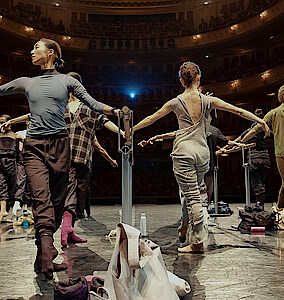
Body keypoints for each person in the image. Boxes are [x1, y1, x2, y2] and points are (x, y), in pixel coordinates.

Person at [0, 38, 120, 279]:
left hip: (60, 147)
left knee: (56, 204)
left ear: (51, 53)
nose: (31, 51)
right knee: (41, 200)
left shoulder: (67, 81)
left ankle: (40, 256)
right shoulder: (27, 82)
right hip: (34, 148)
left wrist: (115, 111)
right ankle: (47, 256)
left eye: (37, 47)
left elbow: (92, 103)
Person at [133, 61, 269, 253]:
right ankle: (184, 228)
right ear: (199, 78)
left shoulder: (175, 102)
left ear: (181, 81)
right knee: (190, 195)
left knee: (193, 197)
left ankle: (197, 242)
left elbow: (151, 118)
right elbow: (237, 110)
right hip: (202, 154)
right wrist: (260, 121)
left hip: (184, 153)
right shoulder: (208, 101)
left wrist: (129, 130)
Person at [61, 71, 122, 248]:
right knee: (74, 192)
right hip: (78, 157)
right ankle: (66, 227)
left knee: (75, 192)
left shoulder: (62, 106)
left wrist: (121, 132)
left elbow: (103, 121)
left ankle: (69, 229)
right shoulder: (86, 106)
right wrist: (122, 132)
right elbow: (104, 121)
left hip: (66, 157)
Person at [242, 85, 284, 208]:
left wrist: (243, 141)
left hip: (280, 153)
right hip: (272, 155)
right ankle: (278, 208)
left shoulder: (273, 113)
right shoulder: (274, 114)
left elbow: (256, 129)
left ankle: (278, 208)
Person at [240, 108, 271, 208]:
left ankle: (259, 204)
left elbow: (240, 139)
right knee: (262, 182)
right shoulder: (268, 130)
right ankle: (260, 204)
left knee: (257, 184)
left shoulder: (250, 130)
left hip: (254, 158)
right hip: (265, 157)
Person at [0, 114, 18, 222]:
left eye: (3, 122)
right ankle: (2, 211)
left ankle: (7, 211)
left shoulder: (14, 135)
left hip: (10, 162)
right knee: (1, 186)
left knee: (12, 187)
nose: (1, 124)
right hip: (0, 161)